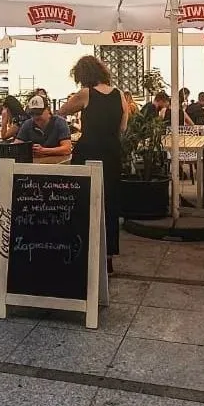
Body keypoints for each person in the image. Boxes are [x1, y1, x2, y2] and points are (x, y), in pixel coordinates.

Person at [59, 56, 127, 267]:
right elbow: (123, 128)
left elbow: (62, 112)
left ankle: (83, 249)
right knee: (110, 202)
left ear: (83, 76)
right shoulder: (120, 95)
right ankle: (108, 257)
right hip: (113, 152)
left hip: (89, 151)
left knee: (84, 200)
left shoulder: (85, 94)